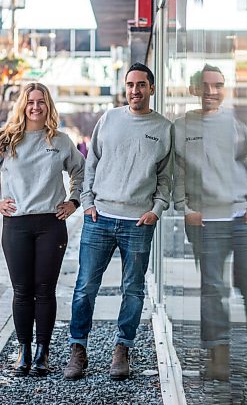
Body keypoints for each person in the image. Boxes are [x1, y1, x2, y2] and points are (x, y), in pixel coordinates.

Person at [0, 82, 85, 376]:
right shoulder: (6, 141)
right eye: (30, 101)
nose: (36, 106)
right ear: (23, 105)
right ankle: (24, 351)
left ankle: (43, 352)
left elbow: (81, 170)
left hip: (51, 225)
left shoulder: (59, 141)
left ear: (48, 106)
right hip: (16, 226)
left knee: (45, 290)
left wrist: (74, 200)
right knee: (22, 291)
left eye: (41, 101)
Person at [64, 62, 172, 380]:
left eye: (141, 85)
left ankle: (122, 349)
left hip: (138, 222)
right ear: (124, 88)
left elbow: (166, 178)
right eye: (130, 85)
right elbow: (92, 163)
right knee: (85, 289)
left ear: (151, 88)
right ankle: (77, 349)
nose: (134, 90)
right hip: (100, 218)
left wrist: (157, 209)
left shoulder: (164, 128)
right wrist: (87, 203)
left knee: (134, 290)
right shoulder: (109, 118)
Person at [173, 64, 247, 380]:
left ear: (224, 89)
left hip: (240, 220)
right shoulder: (181, 127)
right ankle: (218, 356)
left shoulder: (236, 125)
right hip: (206, 222)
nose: (211, 92)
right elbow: (175, 172)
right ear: (194, 89)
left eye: (217, 85)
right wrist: (184, 208)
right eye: (205, 86)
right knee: (213, 289)